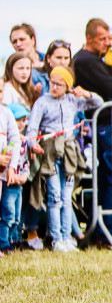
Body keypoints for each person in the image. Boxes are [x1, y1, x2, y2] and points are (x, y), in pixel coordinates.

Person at [25, 66, 101, 252]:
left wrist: (86, 94)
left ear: (67, 85)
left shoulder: (72, 100)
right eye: (52, 82)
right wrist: (32, 144)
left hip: (68, 151)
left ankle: (67, 237)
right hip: (50, 152)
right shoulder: (42, 102)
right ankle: (56, 238)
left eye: (59, 84)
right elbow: (32, 128)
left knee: (67, 197)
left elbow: (98, 103)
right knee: (54, 195)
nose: (54, 87)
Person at [0, 104, 29, 254]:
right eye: (18, 120)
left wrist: (24, 176)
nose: (21, 124)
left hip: (18, 182)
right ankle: (3, 242)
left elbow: (25, 163)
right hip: (7, 180)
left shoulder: (23, 143)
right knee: (8, 214)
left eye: (24, 120)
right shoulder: (6, 143)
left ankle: (13, 240)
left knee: (16, 217)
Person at [9, 24, 48, 88]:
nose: (18, 44)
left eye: (22, 39)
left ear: (33, 39)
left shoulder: (49, 60)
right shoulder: (11, 67)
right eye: (14, 41)